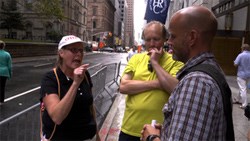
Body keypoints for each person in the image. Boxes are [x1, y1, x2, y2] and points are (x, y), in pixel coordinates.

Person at [141, 6, 234, 141]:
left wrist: (151, 137)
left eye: (173, 36)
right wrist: (168, 130)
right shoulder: (211, 69)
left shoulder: (196, 83)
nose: (169, 42)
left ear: (192, 37)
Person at [119, 21, 183, 141]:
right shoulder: (136, 59)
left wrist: (155, 62)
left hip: (157, 132)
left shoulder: (176, 61)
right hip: (129, 129)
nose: (152, 44)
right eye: (148, 40)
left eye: (156, 39)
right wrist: (159, 83)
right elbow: (123, 86)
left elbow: (175, 88)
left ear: (165, 39)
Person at [40, 35, 100, 141]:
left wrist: (97, 134)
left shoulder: (85, 75)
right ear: (61, 53)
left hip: (88, 136)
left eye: (81, 51)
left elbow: (90, 107)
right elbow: (57, 117)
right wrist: (75, 83)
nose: (79, 54)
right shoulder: (51, 78)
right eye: (73, 50)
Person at [233, 43, 250, 109]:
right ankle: (237, 99)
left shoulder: (240, 55)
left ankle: (244, 104)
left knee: (243, 89)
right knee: (242, 88)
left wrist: (234, 62)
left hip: (241, 75)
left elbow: (236, 64)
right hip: (249, 75)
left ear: (243, 48)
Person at [0, 40, 12, 105]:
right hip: (4, 72)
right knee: (2, 87)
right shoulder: (7, 54)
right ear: (3, 46)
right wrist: (10, 74)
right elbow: (9, 66)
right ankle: (1, 100)